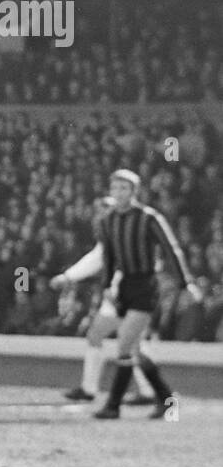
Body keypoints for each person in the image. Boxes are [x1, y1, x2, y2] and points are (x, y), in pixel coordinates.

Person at [54, 170, 201, 420]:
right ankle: (166, 398)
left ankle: (113, 405)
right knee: (132, 348)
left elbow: (171, 249)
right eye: (115, 188)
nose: (119, 193)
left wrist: (186, 283)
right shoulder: (108, 221)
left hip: (145, 285)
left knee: (124, 344)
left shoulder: (149, 217)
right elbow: (109, 258)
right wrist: (109, 287)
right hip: (124, 288)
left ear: (134, 192)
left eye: (124, 188)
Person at [50, 200, 156, 405]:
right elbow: (97, 257)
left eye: (102, 212)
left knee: (113, 338)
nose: (98, 218)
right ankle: (148, 391)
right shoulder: (117, 233)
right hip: (125, 294)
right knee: (125, 341)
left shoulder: (119, 234)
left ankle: (96, 390)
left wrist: (68, 276)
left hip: (126, 295)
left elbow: (98, 260)